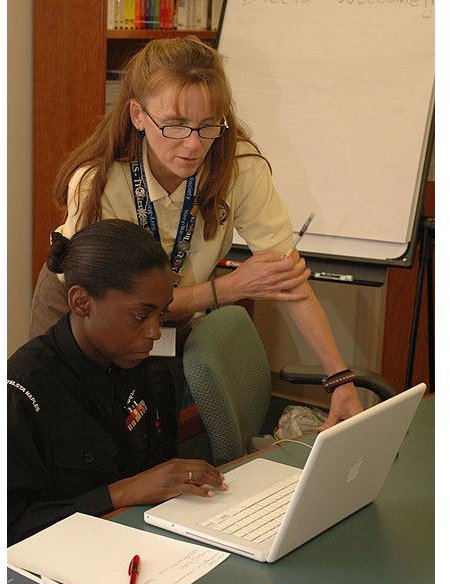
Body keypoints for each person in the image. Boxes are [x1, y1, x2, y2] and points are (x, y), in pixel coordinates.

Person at [30, 35, 362, 430]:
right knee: (75, 432)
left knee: (155, 434)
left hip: (169, 314)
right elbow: (117, 309)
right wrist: (229, 289)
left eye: (207, 125)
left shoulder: (240, 167)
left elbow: (287, 281)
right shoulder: (99, 182)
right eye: (175, 125)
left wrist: (339, 380)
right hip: (89, 314)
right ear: (138, 115)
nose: (193, 145)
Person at [8, 220, 227, 546]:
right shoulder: (24, 392)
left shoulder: (135, 360)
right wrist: (119, 493)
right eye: (141, 316)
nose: (154, 332)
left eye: (162, 315)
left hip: (136, 537)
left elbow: (156, 464)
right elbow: (11, 528)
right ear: (81, 302)